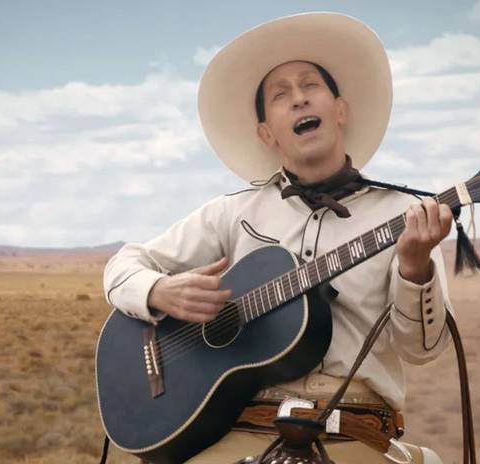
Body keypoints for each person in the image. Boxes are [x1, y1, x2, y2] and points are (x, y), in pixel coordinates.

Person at [103, 12, 455, 464]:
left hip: (353, 432)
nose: (298, 100)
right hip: (245, 426)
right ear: (267, 133)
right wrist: (159, 290)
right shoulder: (235, 211)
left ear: (339, 109)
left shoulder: (400, 216)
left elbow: (422, 350)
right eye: (280, 94)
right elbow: (121, 266)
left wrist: (415, 267)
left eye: (310, 86)